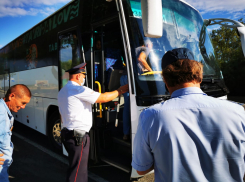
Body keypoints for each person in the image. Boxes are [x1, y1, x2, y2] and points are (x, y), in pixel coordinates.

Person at [132, 48, 245, 182]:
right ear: (200, 76)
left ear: (165, 80)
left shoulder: (150, 116)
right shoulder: (238, 112)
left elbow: (141, 169)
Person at [58, 63, 128, 182]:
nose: (84, 78)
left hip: (68, 133)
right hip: (77, 137)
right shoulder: (78, 89)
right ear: (78, 76)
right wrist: (121, 90)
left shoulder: (63, 91)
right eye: (83, 76)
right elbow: (104, 98)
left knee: (76, 168)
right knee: (78, 173)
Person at [0, 84, 31, 182]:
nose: (23, 107)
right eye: (23, 102)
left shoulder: (5, 111)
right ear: (11, 96)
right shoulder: (1, 113)